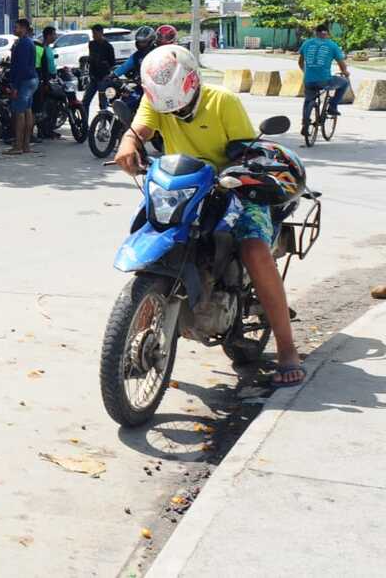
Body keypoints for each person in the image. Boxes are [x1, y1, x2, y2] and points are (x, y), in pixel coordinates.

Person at [114, 45, 305, 388]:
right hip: (182, 187)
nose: (177, 112)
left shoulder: (223, 102)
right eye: (169, 107)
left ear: (192, 84)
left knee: (254, 250)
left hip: (233, 188)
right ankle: (138, 331)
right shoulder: (157, 100)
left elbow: (248, 152)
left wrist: (236, 173)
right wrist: (128, 143)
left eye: (183, 105)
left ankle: (287, 349)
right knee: (148, 233)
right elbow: (140, 127)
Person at [298, 22, 350, 136]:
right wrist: (345, 72)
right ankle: (332, 106)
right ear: (327, 34)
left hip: (309, 80)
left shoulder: (306, 43)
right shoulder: (332, 45)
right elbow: (341, 63)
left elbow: (300, 62)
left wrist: (306, 72)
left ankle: (305, 124)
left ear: (315, 33)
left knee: (308, 101)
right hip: (324, 80)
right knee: (345, 83)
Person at [4, 18, 37, 156]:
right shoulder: (28, 42)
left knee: (19, 113)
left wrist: (15, 86)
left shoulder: (23, 43)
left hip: (24, 81)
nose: (14, 29)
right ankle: (26, 145)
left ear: (23, 28)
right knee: (27, 111)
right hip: (32, 79)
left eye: (16, 27)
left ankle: (18, 146)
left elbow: (21, 67)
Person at [82, 24, 116, 113]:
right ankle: (84, 124)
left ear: (101, 33)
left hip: (103, 78)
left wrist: (106, 67)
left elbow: (112, 63)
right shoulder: (92, 44)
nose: (94, 36)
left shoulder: (108, 46)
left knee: (103, 103)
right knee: (85, 101)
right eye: (93, 34)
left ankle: (103, 123)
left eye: (95, 34)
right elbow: (91, 57)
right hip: (93, 77)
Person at [35, 26, 60, 140]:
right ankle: (44, 130)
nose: (55, 37)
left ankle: (49, 129)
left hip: (51, 78)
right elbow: (44, 66)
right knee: (46, 106)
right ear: (49, 35)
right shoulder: (42, 48)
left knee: (53, 105)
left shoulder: (49, 48)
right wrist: (45, 82)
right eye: (54, 34)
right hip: (45, 79)